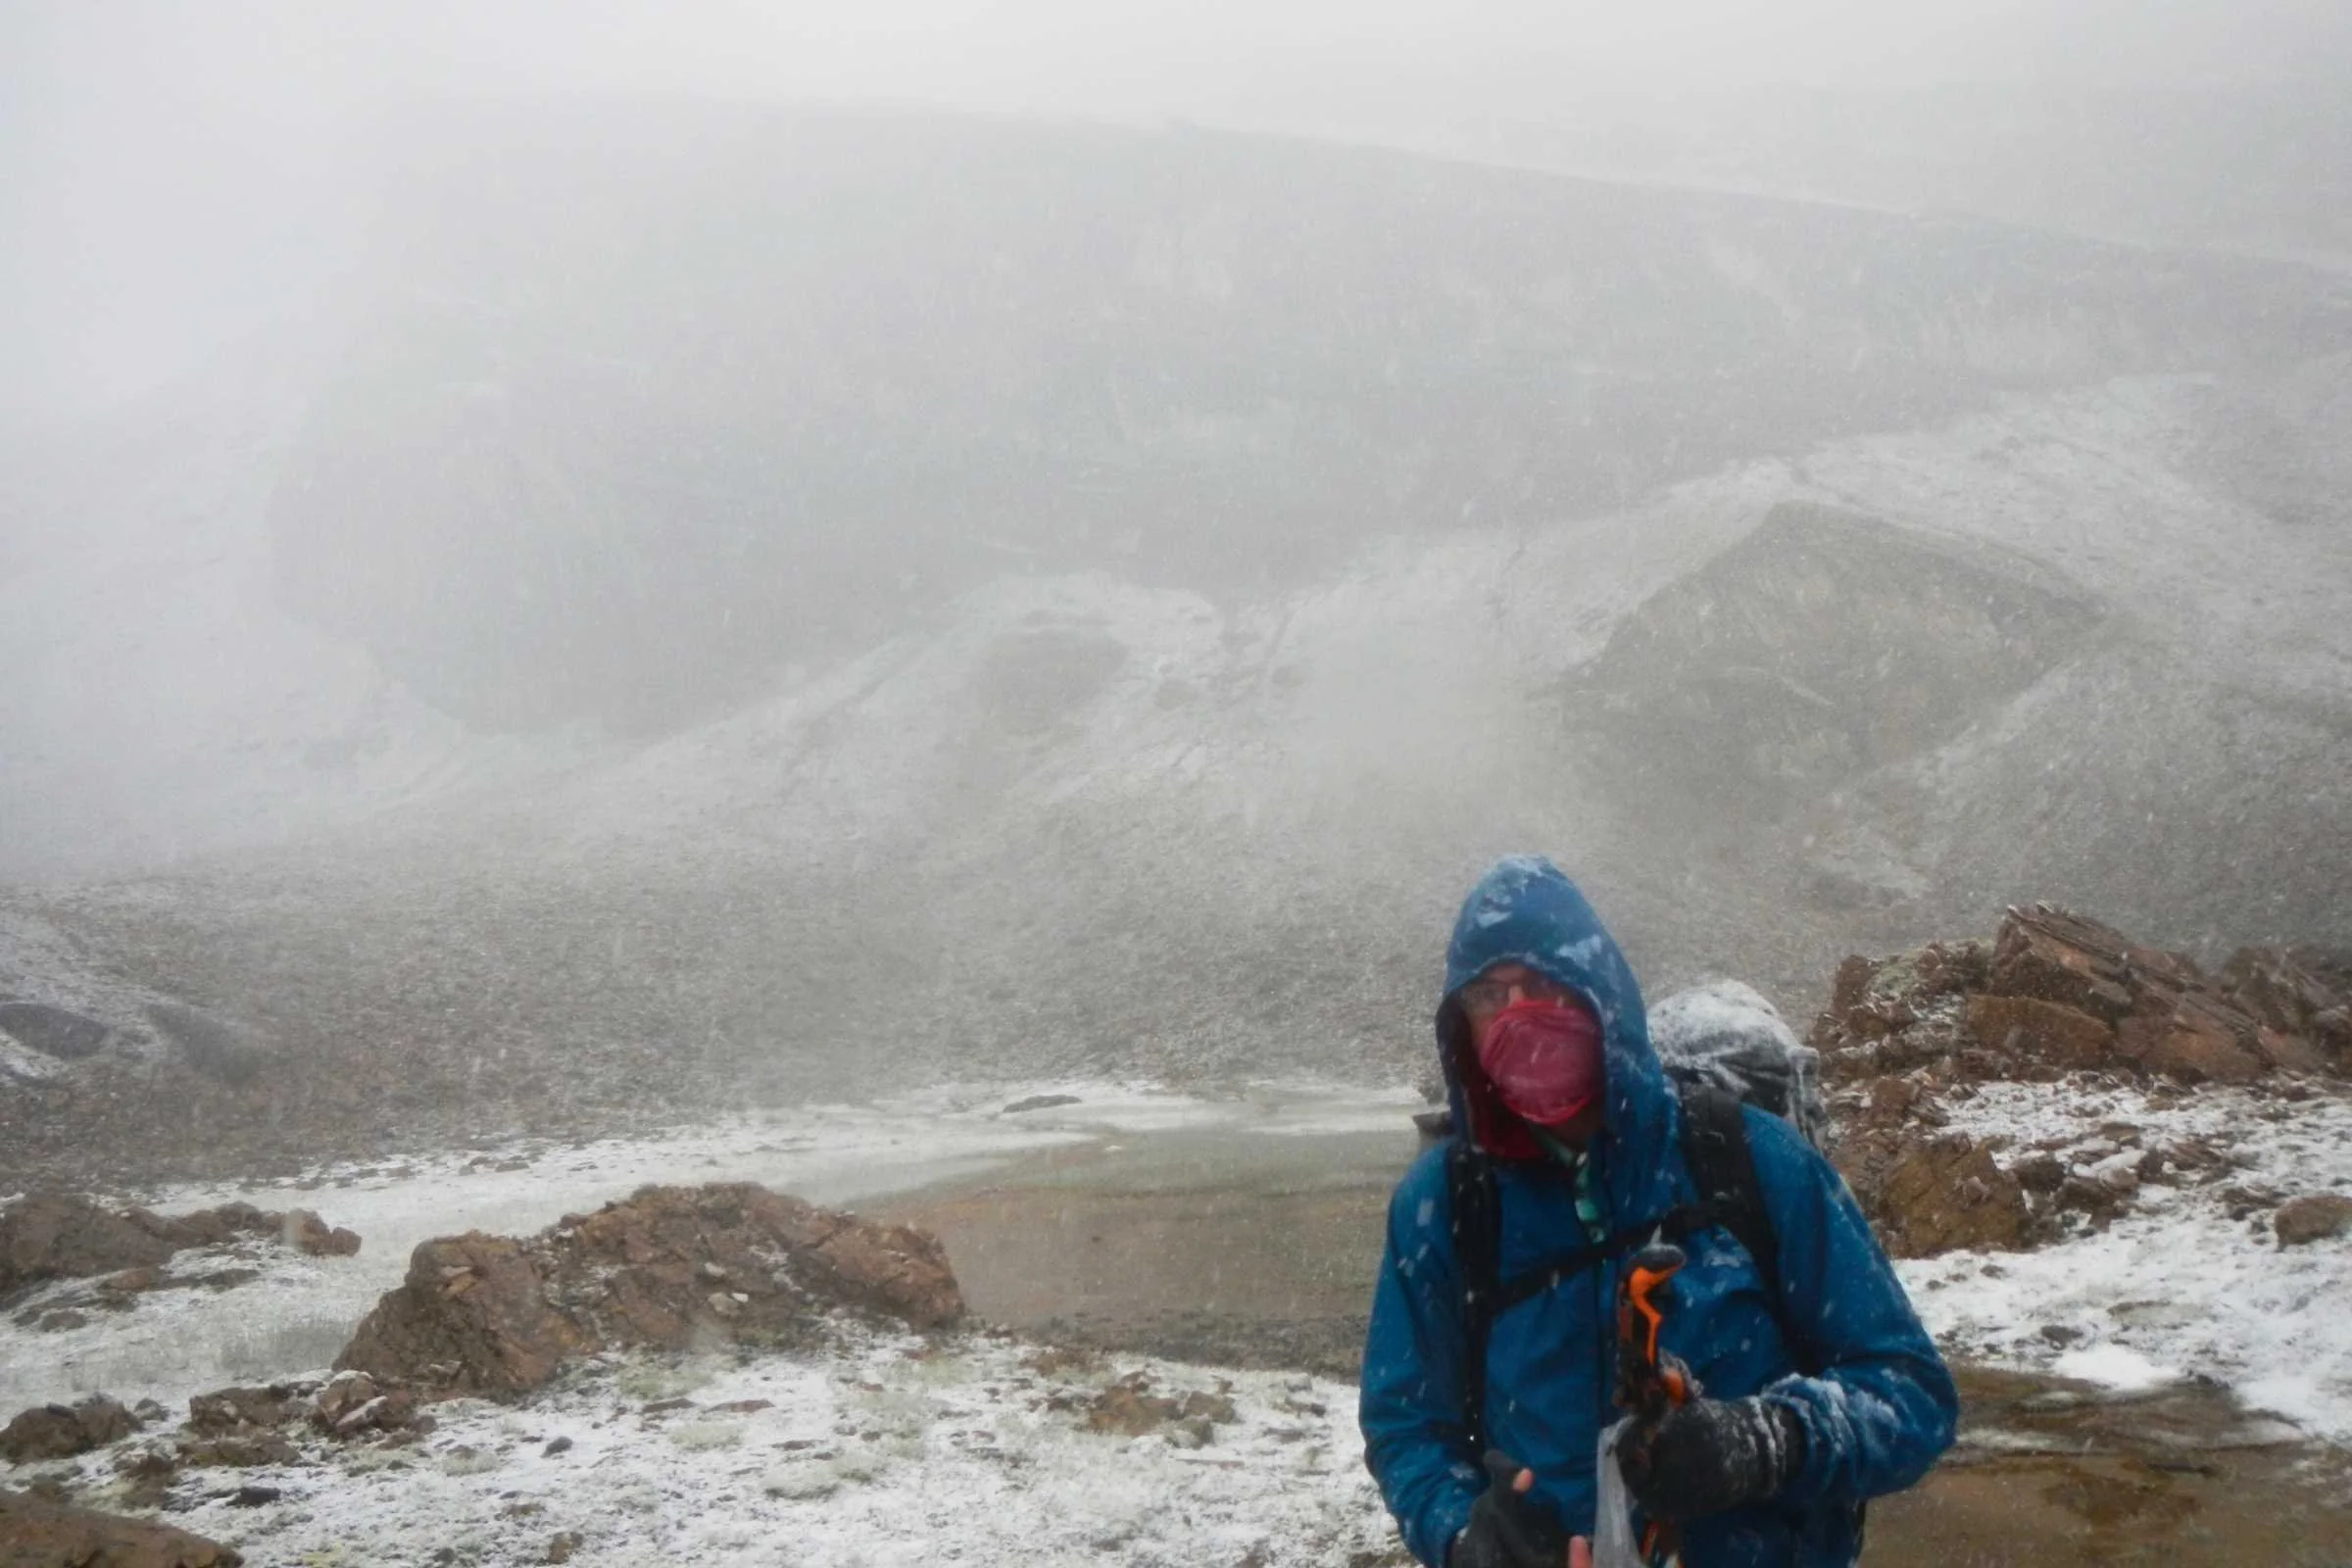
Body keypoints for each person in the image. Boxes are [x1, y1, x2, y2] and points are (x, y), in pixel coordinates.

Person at [1360, 857, 1957, 1568]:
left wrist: (1766, 1441)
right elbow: (1407, 1426)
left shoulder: (1751, 1162)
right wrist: (1463, 1536)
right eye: (1490, 995)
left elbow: (1912, 1393)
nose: (1519, 1016)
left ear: (1600, 992)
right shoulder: (1445, 1204)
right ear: (1462, 1026)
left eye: (1544, 984)